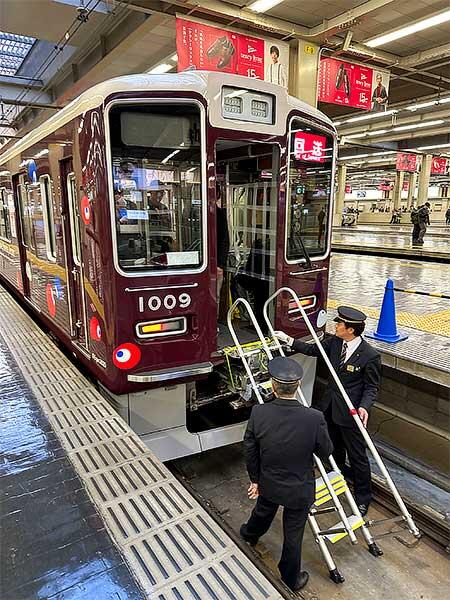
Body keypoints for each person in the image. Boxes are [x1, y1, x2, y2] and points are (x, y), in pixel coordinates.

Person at [274, 306, 381, 516]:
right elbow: (313, 350)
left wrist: (364, 407)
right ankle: (337, 477)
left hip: (351, 415)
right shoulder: (334, 342)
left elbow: (371, 387)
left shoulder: (370, 356)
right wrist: (287, 339)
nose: (336, 326)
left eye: (340, 324)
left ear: (351, 330)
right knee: (333, 448)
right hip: (329, 408)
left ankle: (362, 498)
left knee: (358, 457)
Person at [240, 357, 333, 592]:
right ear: (298, 386)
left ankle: (250, 535)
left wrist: (256, 479)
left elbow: (250, 449)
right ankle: (291, 578)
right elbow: (325, 451)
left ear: (273, 385)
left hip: (269, 481)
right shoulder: (314, 418)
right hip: (299, 486)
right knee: (293, 533)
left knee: (263, 511)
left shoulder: (259, 413)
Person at [216, 188, 230, 319]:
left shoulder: (220, 214)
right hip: (194, 262)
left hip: (215, 265)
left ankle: (212, 325)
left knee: (215, 295)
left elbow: (225, 241)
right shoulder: (194, 212)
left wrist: (220, 264)